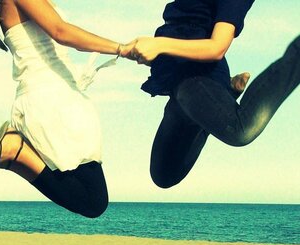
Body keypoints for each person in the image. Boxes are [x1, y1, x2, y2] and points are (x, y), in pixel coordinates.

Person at [0, 0, 135, 218]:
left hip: (48, 96)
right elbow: (61, 31)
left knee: (92, 200)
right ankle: (14, 150)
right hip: (53, 99)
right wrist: (122, 49)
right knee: (93, 201)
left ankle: (16, 155)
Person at [126, 0, 299, 188]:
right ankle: (223, 98)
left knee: (241, 131)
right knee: (163, 176)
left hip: (199, 77)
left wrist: (159, 45)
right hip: (176, 84)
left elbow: (217, 48)